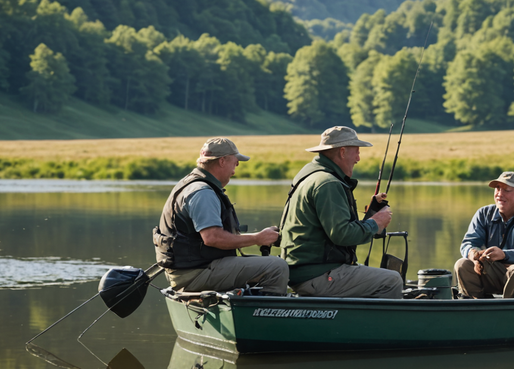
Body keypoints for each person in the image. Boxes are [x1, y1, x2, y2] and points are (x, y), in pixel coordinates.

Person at [279, 126, 403, 299]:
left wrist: (371, 215)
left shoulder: (311, 176)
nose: (358, 158)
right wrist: (375, 223)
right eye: (357, 152)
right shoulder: (328, 183)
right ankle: (374, 327)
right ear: (343, 152)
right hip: (316, 274)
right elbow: (342, 235)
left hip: (303, 271)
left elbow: (335, 229)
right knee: (391, 280)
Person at [154, 137, 288, 295]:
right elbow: (213, 238)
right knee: (277, 266)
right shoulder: (202, 192)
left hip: (190, 269)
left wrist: (259, 236)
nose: (237, 164)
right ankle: (265, 315)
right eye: (235, 159)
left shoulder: (190, 183)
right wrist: (257, 238)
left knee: (265, 264)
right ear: (222, 161)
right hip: (194, 273)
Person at [455, 171, 514, 298]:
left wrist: (504, 255)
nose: (499, 194)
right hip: (489, 271)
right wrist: (472, 253)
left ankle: (508, 310)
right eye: (497, 188)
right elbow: (468, 243)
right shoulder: (483, 213)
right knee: (462, 264)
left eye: (507, 190)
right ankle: (476, 308)